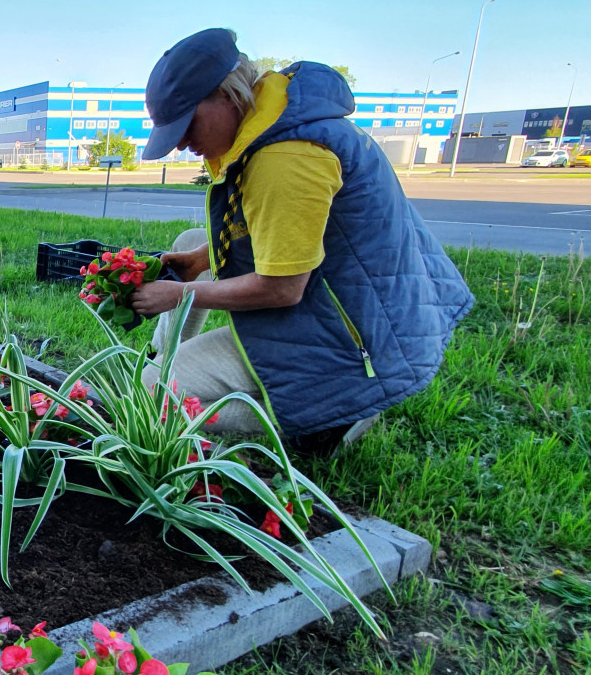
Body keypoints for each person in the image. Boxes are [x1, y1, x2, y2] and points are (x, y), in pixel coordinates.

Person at [129, 28, 472, 450]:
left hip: (354, 344)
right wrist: (202, 259)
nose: (181, 143)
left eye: (187, 123)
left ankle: (324, 419)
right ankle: (168, 359)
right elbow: (286, 228)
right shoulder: (277, 118)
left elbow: (283, 288)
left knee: (147, 394)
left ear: (226, 95)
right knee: (192, 241)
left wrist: (177, 296)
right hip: (351, 303)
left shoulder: (285, 157)